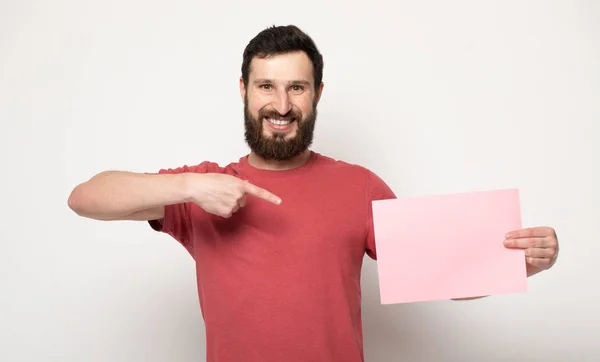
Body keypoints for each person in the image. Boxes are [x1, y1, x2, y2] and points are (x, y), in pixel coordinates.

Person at [67, 25, 560, 362]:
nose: (280, 105)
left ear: (317, 93)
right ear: (243, 90)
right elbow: (86, 197)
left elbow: (435, 274)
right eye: (266, 86)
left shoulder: (358, 185)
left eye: (297, 88)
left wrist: (512, 264)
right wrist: (190, 187)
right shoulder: (203, 186)